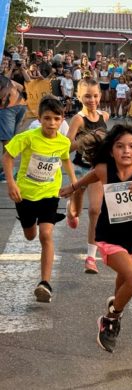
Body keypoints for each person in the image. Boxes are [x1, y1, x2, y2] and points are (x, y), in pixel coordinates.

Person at [60, 124, 132, 353]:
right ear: (111, 151)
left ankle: (115, 307)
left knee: (124, 284)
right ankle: (110, 319)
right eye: (120, 146)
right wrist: (72, 187)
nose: (126, 151)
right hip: (110, 238)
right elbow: (88, 178)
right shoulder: (104, 170)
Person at [3, 96, 76, 303]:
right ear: (39, 118)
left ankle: (45, 283)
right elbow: (7, 157)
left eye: (56, 118)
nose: (51, 123)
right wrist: (11, 183)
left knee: (46, 235)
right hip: (24, 194)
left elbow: (65, 160)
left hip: (49, 194)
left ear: (62, 119)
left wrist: (74, 182)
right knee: (29, 235)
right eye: (47, 118)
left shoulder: (63, 142)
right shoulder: (28, 137)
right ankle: (29, 224)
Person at [66, 79, 110, 274]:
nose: (92, 100)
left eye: (95, 96)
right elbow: (66, 146)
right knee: (76, 212)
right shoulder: (78, 119)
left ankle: (91, 257)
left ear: (100, 96)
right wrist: (86, 139)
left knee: (95, 210)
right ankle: (70, 208)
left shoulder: (105, 116)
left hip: (97, 170)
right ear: (79, 97)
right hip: (80, 168)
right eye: (87, 96)